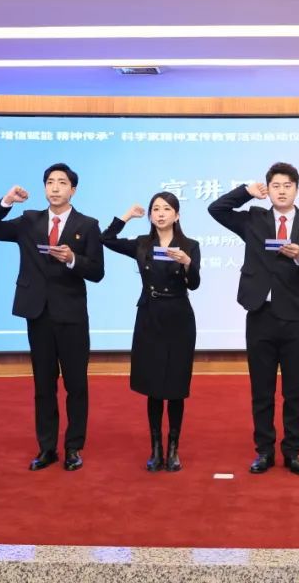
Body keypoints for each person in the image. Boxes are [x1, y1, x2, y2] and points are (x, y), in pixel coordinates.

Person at [0, 163, 104, 472]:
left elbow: (97, 271)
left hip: (72, 315)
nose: (55, 187)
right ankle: (47, 448)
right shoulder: (29, 221)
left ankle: (73, 447)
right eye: (50, 182)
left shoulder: (88, 225)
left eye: (62, 182)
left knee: (76, 384)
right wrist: (7, 201)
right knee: (43, 385)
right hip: (38, 313)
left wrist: (72, 259)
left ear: (73, 189)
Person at [208, 162, 299, 475]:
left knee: (295, 391)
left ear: (297, 189)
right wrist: (246, 192)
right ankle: (263, 451)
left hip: (295, 318)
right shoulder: (254, 220)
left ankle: (293, 451)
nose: (282, 191)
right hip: (260, 314)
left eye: (287, 186)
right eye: (276, 186)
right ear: (268, 189)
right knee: (261, 390)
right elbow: (216, 209)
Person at [101, 192, 201, 472]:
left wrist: (187, 263)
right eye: (155, 209)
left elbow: (194, 284)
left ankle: (173, 449)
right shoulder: (142, 243)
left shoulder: (190, 245)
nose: (160, 213)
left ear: (177, 215)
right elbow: (105, 239)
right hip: (149, 315)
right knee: (154, 386)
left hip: (179, 318)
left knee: (176, 386)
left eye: (166, 209)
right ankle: (156, 449)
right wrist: (125, 217)